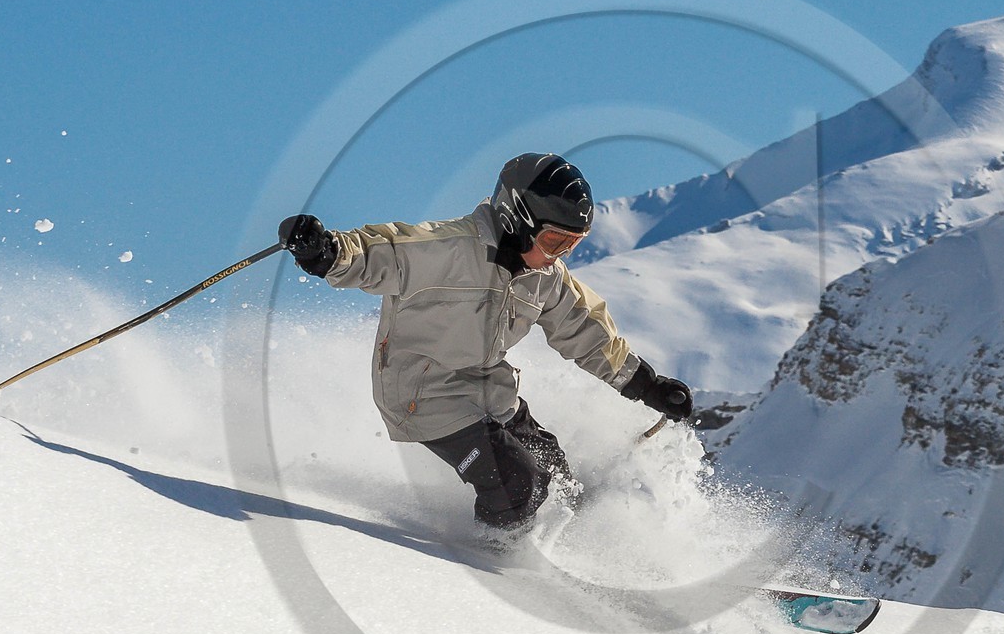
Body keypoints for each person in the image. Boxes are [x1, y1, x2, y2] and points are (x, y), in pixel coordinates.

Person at [279, 153, 694, 532]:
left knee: (557, 475)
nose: (559, 255)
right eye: (554, 241)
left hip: (486, 387)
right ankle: (498, 567)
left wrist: (647, 385)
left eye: (571, 245)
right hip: (422, 394)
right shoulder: (448, 249)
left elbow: (586, 330)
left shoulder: (545, 277)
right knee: (519, 486)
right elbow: (380, 251)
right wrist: (327, 251)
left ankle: (572, 548)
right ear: (518, 218)